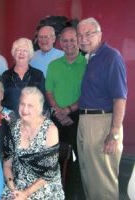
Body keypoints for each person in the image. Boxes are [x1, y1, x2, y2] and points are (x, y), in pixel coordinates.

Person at [76, 17, 127, 199]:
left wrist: (113, 134)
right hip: (86, 122)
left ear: (100, 35)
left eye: (88, 34)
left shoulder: (111, 57)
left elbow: (120, 98)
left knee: (103, 183)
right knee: (89, 177)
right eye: (80, 35)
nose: (83, 39)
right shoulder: (90, 58)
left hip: (102, 123)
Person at [45, 27, 86, 198]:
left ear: (78, 40)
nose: (68, 44)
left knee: (76, 160)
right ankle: (53, 193)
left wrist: (68, 111)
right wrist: (58, 110)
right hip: (56, 116)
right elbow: (49, 91)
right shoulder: (54, 65)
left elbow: (88, 94)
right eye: (65, 40)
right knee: (52, 158)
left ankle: (70, 194)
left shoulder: (87, 63)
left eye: (72, 39)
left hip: (78, 117)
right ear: (60, 43)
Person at [2, 87, 64, 199]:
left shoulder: (50, 130)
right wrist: (13, 189)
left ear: (39, 108)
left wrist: (26, 194)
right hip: (17, 185)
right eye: (22, 104)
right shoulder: (13, 128)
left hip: (44, 187)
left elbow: (49, 173)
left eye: (30, 106)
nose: (25, 109)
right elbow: (7, 165)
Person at [1, 38, 45, 116]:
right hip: (10, 121)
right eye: (18, 50)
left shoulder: (38, 75)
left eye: (25, 51)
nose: (21, 53)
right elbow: (1, 102)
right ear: (14, 54)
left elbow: (43, 101)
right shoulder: (5, 75)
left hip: (33, 121)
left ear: (30, 54)